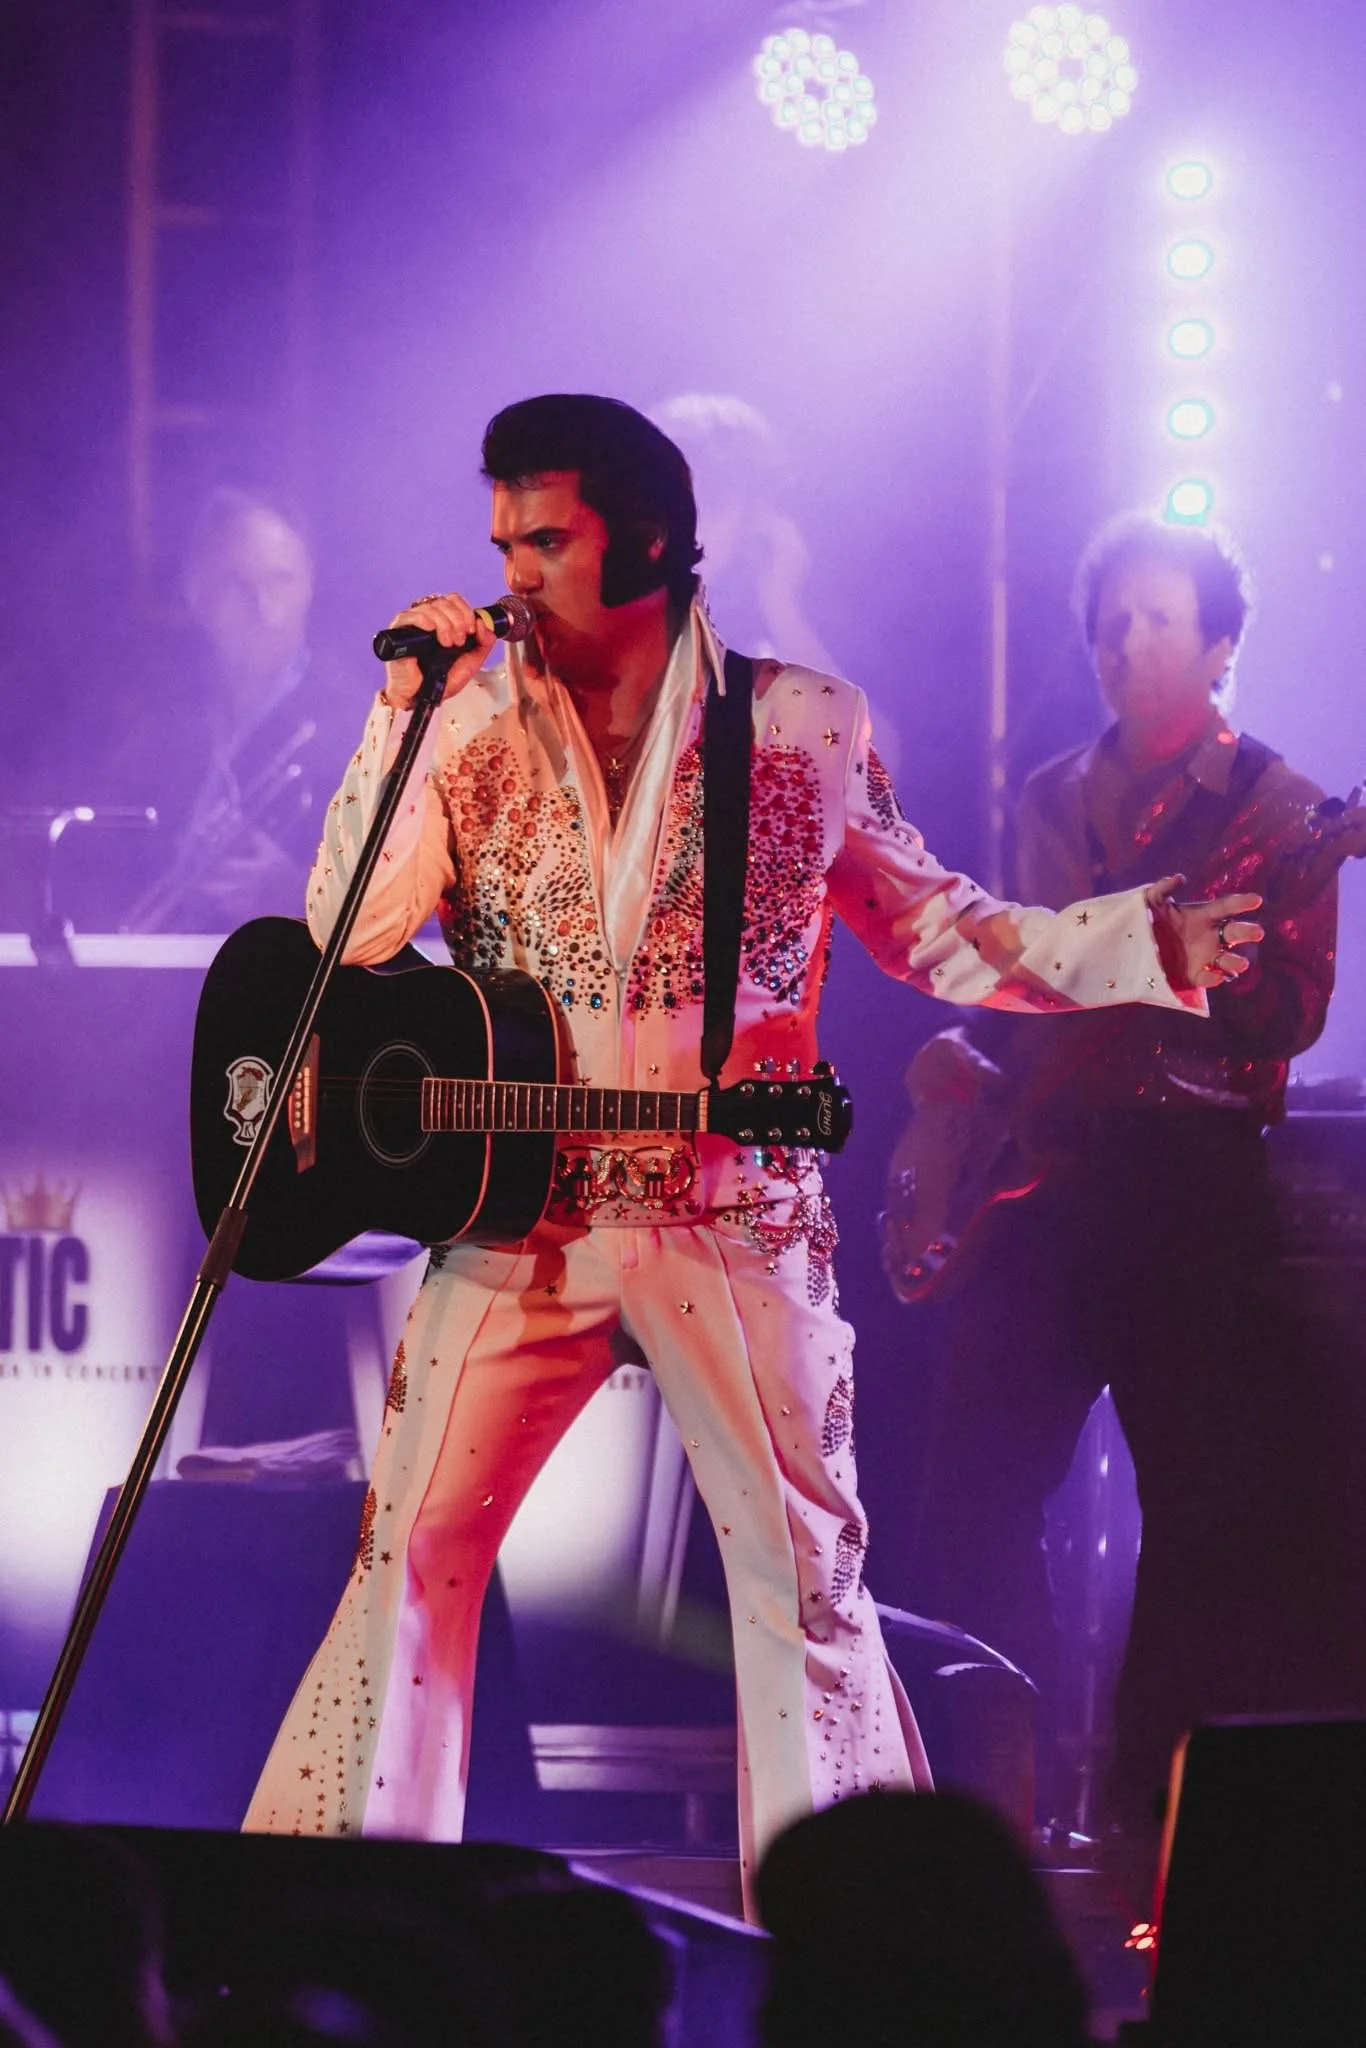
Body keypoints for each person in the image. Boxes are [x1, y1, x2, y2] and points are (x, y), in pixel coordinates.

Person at [241, 399, 1259, 1913]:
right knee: (408, 1558)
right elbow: (350, 937)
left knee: (802, 1590)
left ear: (644, 540)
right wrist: (396, 714)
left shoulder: (801, 727)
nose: (510, 569)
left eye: (545, 537)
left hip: (732, 1208)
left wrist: (1138, 945)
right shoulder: (459, 725)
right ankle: (329, 1930)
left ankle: (858, 1949)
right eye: (502, 538)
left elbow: (943, 931)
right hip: (514, 1215)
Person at [900, 511, 1366, 1857]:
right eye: (1108, 622)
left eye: (1156, 619)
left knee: (1206, 1510)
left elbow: (1289, 1016)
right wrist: (965, 1057)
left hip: (1190, 1183)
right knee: (971, 1484)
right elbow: (1028, 977)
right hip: (1054, 1177)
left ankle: (1153, 1813)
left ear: (1218, 645)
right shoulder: (1048, 793)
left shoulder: (1282, 811)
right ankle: (992, 1786)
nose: (1124, 643)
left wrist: (1204, 975)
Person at [99, 485, 362, 932]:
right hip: (162, 982)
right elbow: (109, 868)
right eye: (237, 584)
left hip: (295, 983)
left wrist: (303, 893)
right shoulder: (159, 724)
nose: (264, 607)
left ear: (310, 585)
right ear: (194, 593)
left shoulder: (362, 724)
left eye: (280, 580)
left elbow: (414, 903)